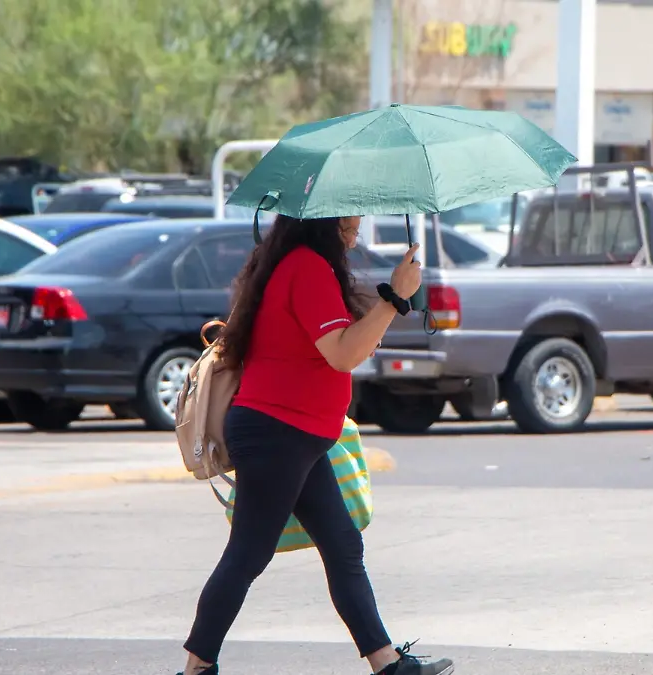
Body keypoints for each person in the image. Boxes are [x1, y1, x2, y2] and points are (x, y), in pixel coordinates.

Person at [177, 214, 454, 675]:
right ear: (326, 220)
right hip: (278, 432)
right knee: (248, 554)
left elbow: (333, 347)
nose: (355, 235)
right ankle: (195, 668)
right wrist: (395, 297)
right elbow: (342, 353)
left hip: (294, 435)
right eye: (351, 224)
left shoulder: (292, 263)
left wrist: (384, 308)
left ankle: (387, 664)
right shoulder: (306, 267)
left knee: (342, 544)